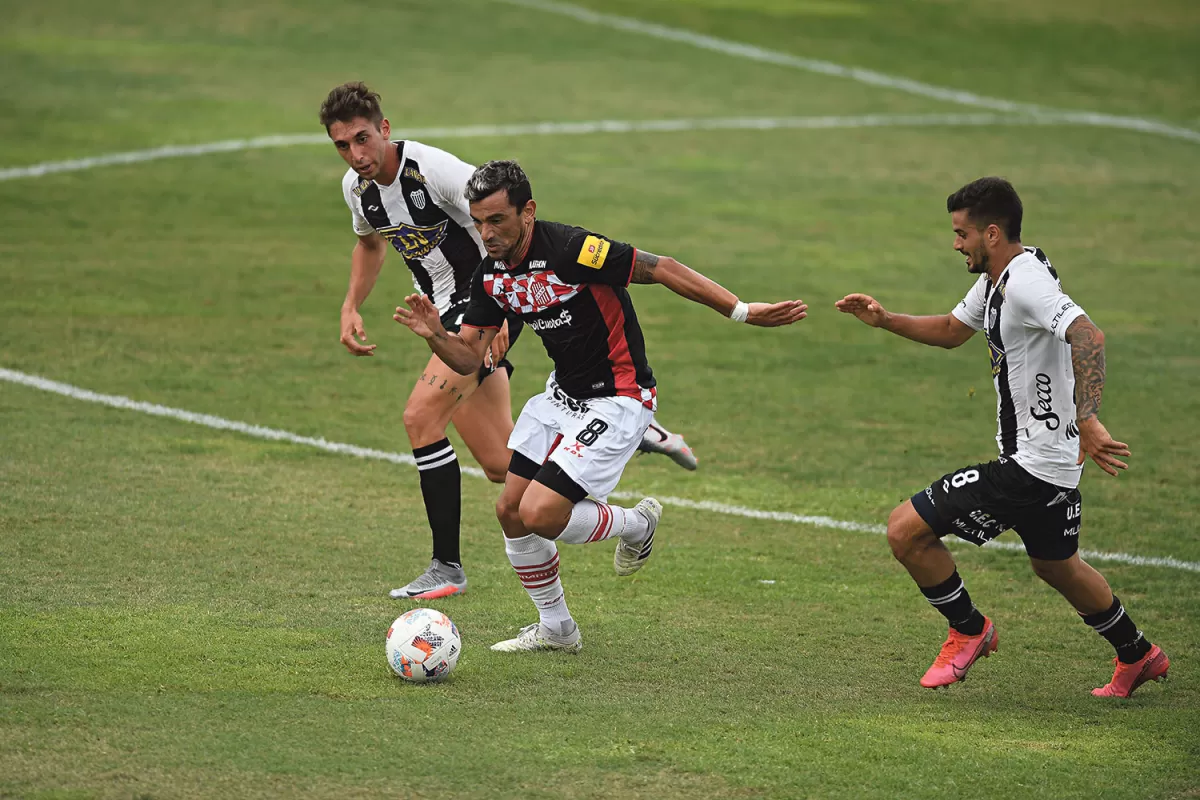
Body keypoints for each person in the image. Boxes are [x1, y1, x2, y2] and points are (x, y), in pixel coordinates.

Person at [394, 160, 806, 652]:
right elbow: (468, 359)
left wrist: (741, 310)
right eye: (478, 221)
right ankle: (558, 631)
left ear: (527, 211)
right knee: (510, 511)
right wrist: (438, 334)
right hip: (561, 396)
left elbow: (663, 267)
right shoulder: (492, 274)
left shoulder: (572, 250)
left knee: (542, 513)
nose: (486, 233)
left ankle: (637, 523)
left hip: (620, 397)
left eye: (497, 220)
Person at [319, 83, 697, 601]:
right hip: (448, 319)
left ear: (385, 129)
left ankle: (446, 566)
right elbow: (368, 244)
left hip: (483, 311)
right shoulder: (357, 190)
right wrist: (350, 304)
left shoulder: (432, 170)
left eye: (362, 138)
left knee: (420, 418)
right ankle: (635, 434)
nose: (356, 154)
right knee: (502, 465)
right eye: (342, 145)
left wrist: (502, 312)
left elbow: (501, 220)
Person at [835, 177, 1168, 697]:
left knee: (905, 531)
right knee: (1057, 566)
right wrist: (885, 321)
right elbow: (951, 330)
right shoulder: (998, 276)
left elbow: (1088, 334)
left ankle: (970, 630)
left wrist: (1089, 417)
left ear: (992, 232)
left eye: (961, 233)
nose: (955, 243)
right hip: (1049, 461)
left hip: (1032, 466)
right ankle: (1138, 653)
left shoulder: (1026, 283)